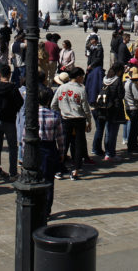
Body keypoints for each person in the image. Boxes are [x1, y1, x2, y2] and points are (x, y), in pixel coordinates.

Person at [52, 68, 92, 180]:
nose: (83, 79)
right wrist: (89, 120)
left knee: (63, 144)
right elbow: (86, 108)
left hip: (65, 119)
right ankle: (75, 171)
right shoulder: (81, 90)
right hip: (79, 119)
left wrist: (61, 111)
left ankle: (59, 169)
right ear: (78, 77)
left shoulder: (61, 88)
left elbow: (53, 104)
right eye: (82, 77)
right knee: (78, 145)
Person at [0, 65, 23, 179]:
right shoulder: (12, 88)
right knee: (13, 147)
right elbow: (20, 102)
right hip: (10, 120)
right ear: (9, 74)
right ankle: (13, 172)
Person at [36, 86, 64, 217]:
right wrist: (62, 152)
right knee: (48, 181)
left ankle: (37, 206)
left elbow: (24, 136)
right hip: (49, 148)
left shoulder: (32, 115)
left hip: (35, 148)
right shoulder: (55, 115)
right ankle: (46, 209)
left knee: (36, 178)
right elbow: (60, 137)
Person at [123, 67, 138, 154]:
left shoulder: (125, 83)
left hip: (128, 107)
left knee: (135, 127)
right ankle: (132, 146)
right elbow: (137, 97)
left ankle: (133, 144)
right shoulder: (132, 85)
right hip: (133, 108)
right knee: (135, 128)